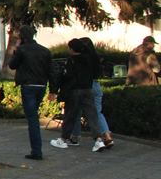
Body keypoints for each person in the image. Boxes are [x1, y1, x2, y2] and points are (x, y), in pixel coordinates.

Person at [50, 37, 111, 152]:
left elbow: (66, 76)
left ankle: (64, 139)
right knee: (92, 115)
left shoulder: (71, 61)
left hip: (74, 90)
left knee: (70, 116)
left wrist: (57, 89)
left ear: (72, 49)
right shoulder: (89, 59)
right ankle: (98, 140)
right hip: (87, 89)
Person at [8, 25, 51, 160]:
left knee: (32, 119)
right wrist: (54, 89)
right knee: (33, 116)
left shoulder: (22, 50)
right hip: (41, 85)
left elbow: (12, 65)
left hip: (28, 86)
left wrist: (16, 53)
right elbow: (52, 70)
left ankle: (36, 151)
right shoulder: (45, 51)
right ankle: (36, 150)